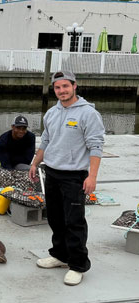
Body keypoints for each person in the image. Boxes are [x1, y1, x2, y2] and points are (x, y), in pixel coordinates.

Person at [29, 71, 105, 286]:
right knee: (55, 218)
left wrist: (92, 176)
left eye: (65, 86)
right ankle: (60, 255)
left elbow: (96, 146)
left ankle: (78, 265)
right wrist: (35, 163)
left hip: (75, 176)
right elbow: (45, 142)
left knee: (74, 221)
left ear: (74, 86)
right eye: (57, 87)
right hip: (52, 172)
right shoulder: (51, 113)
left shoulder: (88, 113)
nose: (62, 91)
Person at [0, 115, 36, 195]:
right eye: (18, 128)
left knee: (33, 172)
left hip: (19, 164)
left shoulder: (31, 137)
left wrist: (12, 159)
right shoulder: (2, 139)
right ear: (12, 127)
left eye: (24, 128)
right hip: (1, 162)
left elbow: (28, 159)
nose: (21, 131)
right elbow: (5, 164)